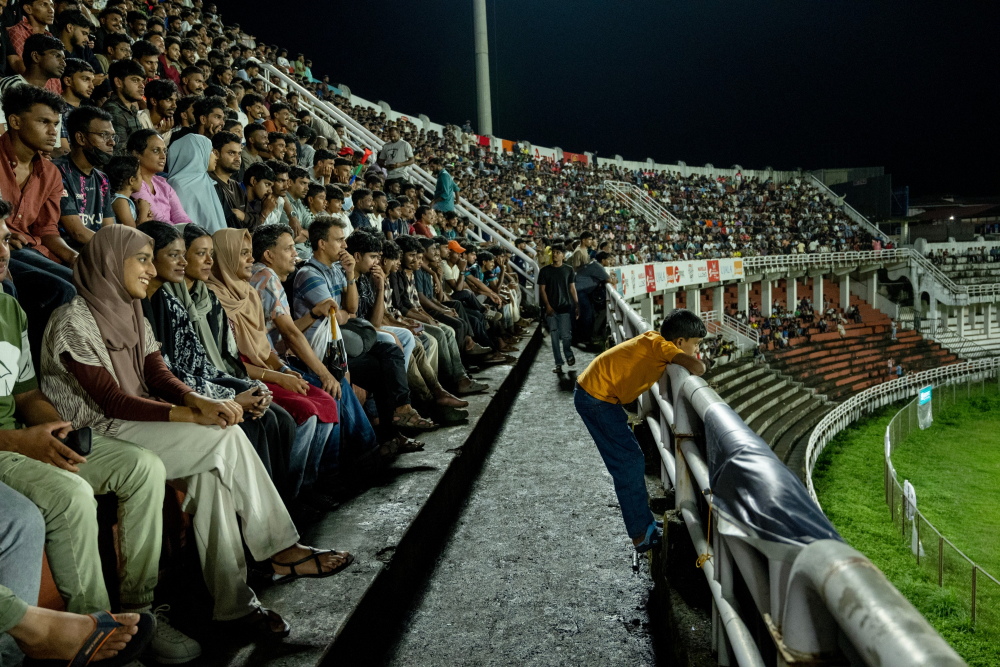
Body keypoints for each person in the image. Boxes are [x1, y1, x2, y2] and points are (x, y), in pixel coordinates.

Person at [42, 225, 351, 637]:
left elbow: (158, 372)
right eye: (143, 259)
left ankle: (235, 605)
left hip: (135, 422)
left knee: (213, 477)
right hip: (97, 433)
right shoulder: (71, 320)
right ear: (111, 263)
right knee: (221, 437)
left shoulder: (131, 310)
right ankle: (279, 549)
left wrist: (200, 402)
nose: (152, 269)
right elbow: (112, 401)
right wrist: (190, 415)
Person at [575, 309, 706, 553]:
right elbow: (697, 368)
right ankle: (640, 535)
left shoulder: (654, 340)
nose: (697, 350)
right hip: (596, 399)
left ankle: (643, 523)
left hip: (597, 395)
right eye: (695, 344)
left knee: (631, 459)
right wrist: (692, 359)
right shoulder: (665, 348)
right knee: (628, 462)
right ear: (679, 342)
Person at [0, 85, 78, 364]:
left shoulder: (50, 172)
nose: (53, 131)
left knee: (81, 278)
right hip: (6, 250)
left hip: (27, 250)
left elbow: (46, 230)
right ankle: (29, 368)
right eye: (43, 122)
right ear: (15, 121)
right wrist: (7, 237)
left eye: (56, 124)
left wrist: (74, 257)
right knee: (61, 289)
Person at [53, 105, 115, 249]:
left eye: (112, 136)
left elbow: (109, 228)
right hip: (69, 253)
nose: (112, 142)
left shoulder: (102, 179)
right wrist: (114, 248)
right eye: (104, 135)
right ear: (81, 138)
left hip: (98, 250)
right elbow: (77, 232)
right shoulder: (58, 171)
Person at [166, 132, 229, 232]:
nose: (216, 157)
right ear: (198, 152)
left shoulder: (207, 180)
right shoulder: (178, 185)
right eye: (211, 151)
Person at [538, 243, 579, 373]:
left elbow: (572, 288)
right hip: (551, 309)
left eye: (557, 252)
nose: (555, 255)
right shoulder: (544, 271)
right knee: (554, 337)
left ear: (562, 255)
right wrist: (548, 306)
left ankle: (568, 354)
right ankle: (558, 363)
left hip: (565, 307)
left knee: (566, 336)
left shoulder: (568, 270)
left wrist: (577, 304)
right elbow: (542, 290)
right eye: (553, 252)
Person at [101, 58, 144, 153]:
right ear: (118, 82)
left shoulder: (131, 108)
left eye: (142, 81)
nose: (142, 86)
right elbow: (120, 152)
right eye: (135, 80)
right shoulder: (113, 110)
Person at [106, 154, 146, 226]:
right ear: (131, 180)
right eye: (140, 174)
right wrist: (143, 211)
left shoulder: (124, 200)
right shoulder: (120, 201)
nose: (142, 178)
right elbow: (132, 232)